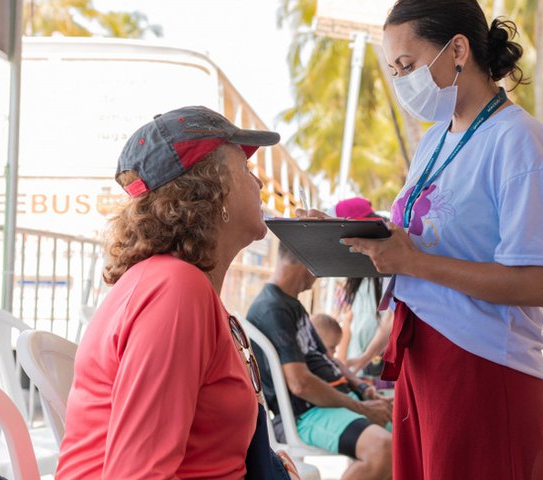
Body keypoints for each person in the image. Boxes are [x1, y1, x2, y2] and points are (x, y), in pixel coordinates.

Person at [320, 1, 543, 478]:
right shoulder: (434, 140)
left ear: (458, 49)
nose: (401, 82)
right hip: (422, 358)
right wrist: (338, 233)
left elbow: (540, 283)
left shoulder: (518, 141)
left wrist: (414, 264)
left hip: (483, 366)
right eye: (394, 70)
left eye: (408, 66)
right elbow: (417, 243)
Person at [57, 106, 298, 479]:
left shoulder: (180, 286)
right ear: (214, 188)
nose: (260, 184)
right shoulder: (175, 290)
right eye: (246, 169)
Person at [247, 243, 393, 480]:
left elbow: (330, 359)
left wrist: (364, 389)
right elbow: (300, 384)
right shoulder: (272, 309)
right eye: (319, 262)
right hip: (307, 414)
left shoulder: (291, 304)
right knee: (383, 449)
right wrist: (361, 407)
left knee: (409, 436)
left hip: (333, 405)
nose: (321, 273)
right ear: (303, 258)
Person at [332, 198, 394, 378]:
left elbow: (392, 316)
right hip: (358, 368)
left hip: (379, 369)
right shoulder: (354, 277)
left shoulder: (388, 270)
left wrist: (366, 356)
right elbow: (347, 325)